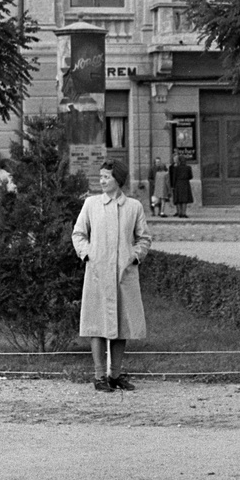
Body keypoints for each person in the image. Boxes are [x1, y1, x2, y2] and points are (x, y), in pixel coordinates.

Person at [72, 160, 152, 392]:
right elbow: (78, 234)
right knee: (97, 324)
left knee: (121, 324)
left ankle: (115, 375)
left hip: (124, 274)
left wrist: (134, 256)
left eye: (107, 177)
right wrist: (88, 255)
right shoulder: (91, 205)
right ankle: (99, 377)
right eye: (101, 176)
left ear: (118, 179)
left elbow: (144, 238)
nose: (102, 181)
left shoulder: (133, 207)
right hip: (98, 272)